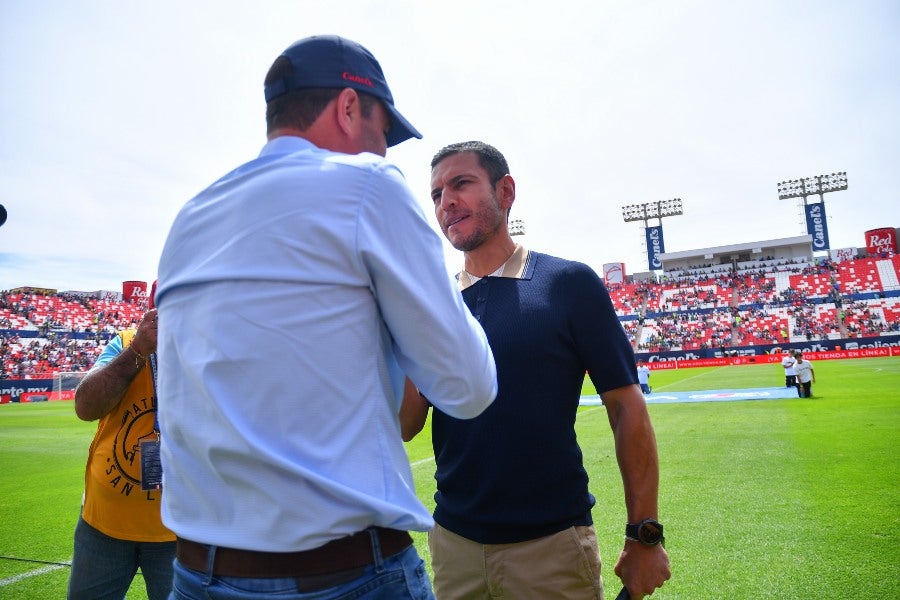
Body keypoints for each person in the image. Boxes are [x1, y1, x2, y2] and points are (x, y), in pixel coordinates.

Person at [154, 36, 497, 600]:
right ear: (346, 107)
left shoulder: (190, 215)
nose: (384, 152)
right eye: (381, 132)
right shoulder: (368, 186)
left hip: (195, 572)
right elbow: (469, 387)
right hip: (342, 575)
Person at [403, 141, 670, 599]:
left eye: (461, 183)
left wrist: (644, 533)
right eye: (436, 193)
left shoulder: (567, 284)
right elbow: (408, 426)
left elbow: (626, 407)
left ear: (505, 192)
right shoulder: (433, 304)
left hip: (549, 548)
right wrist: (405, 333)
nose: (446, 201)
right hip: (452, 546)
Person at [68, 291, 174, 600]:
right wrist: (138, 350)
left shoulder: (208, 352)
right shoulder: (124, 341)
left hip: (180, 530)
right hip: (103, 525)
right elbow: (86, 407)